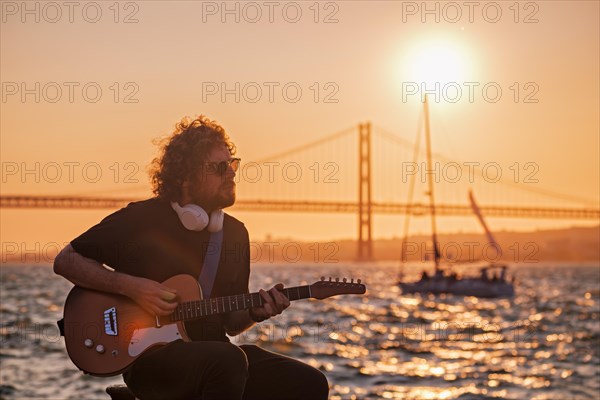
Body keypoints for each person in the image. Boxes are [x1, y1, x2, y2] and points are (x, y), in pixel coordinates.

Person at [53, 115, 329, 400]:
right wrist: (132, 287)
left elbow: (231, 324)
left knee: (309, 382)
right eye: (219, 167)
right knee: (229, 360)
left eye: (232, 164)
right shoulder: (141, 219)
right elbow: (67, 260)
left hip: (215, 354)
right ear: (185, 176)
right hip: (149, 361)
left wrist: (256, 312)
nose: (231, 173)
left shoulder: (234, 234)